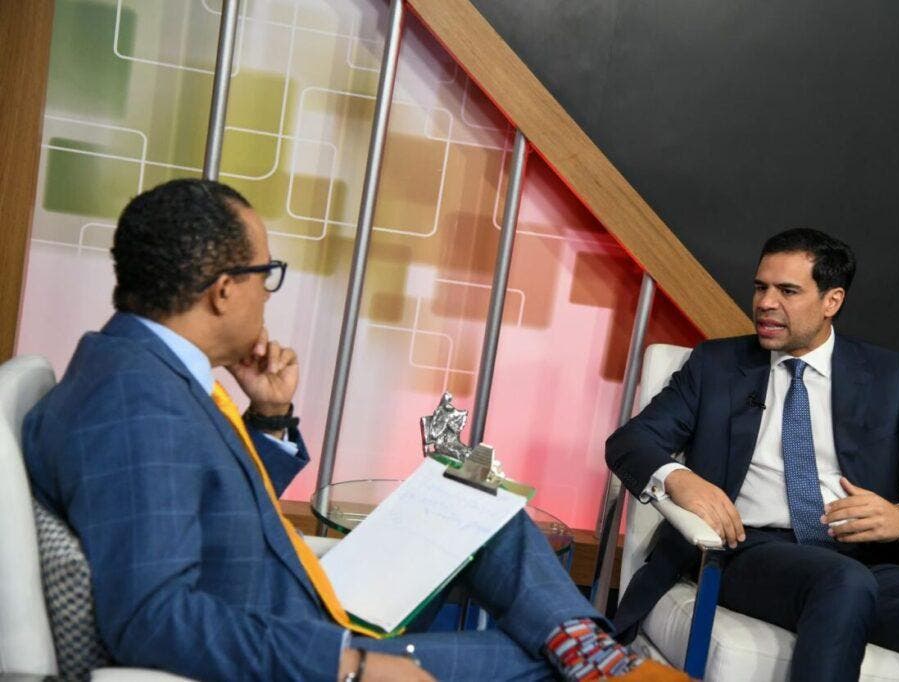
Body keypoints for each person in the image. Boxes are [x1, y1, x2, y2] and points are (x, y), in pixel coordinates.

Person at [22, 179, 683, 682]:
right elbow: (152, 619)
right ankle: (597, 657)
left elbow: (198, 500)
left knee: (487, 508)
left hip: (297, 591)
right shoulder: (134, 405)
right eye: (265, 276)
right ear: (223, 290)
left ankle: (588, 647)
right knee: (543, 665)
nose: (267, 294)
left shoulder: (136, 367)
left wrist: (269, 417)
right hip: (297, 638)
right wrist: (349, 665)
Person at [607, 228, 899, 681]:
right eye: (761, 287)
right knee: (843, 582)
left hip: (864, 564)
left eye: (787, 291)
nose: (766, 303)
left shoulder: (891, 378)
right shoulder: (717, 365)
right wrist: (679, 478)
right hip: (749, 553)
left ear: (832, 301)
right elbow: (631, 441)